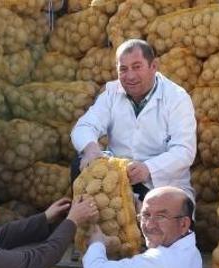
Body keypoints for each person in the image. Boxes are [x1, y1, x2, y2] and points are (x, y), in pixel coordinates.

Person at [71, 39, 197, 201]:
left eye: (137, 67)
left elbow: (184, 151)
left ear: (153, 66)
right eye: (123, 69)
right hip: (118, 179)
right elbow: (85, 125)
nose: (130, 76)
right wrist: (91, 149)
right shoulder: (112, 93)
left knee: (157, 215)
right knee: (80, 163)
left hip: (161, 185)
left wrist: (148, 168)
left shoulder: (176, 98)